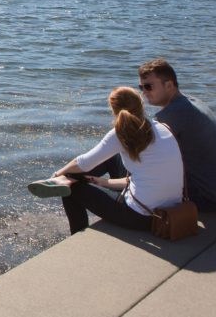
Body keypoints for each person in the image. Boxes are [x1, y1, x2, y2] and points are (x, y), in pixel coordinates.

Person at [28, 87, 184, 235]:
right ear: (141, 105)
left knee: (71, 190)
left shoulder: (120, 133)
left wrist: (59, 173)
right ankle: (69, 179)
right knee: (111, 157)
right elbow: (148, 177)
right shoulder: (163, 128)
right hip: (173, 211)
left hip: (142, 218)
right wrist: (103, 182)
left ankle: (77, 232)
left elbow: (84, 163)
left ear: (114, 110)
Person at [138, 58, 216, 210]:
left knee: (118, 160)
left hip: (205, 198)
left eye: (148, 87)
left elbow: (144, 156)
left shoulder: (172, 114)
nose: (144, 93)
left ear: (169, 85)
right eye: (141, 87)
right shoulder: (192, 102)